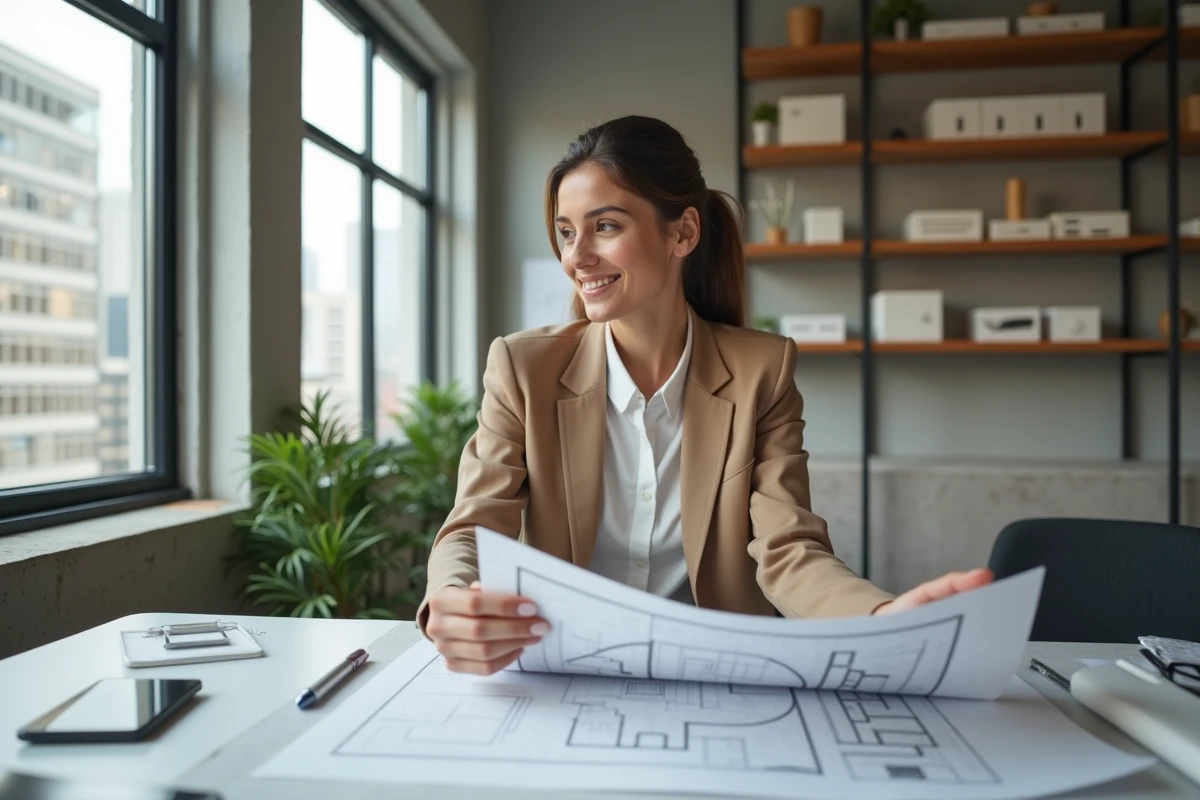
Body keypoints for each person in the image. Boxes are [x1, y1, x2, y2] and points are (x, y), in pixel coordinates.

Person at [419, 115, 992, 675]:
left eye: (606, 226)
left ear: (683, 232)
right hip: (569, 669)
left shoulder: (761, 371)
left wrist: (881, 617)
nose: (576, 257)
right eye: (567, 233)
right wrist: (453, 600)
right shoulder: (524, 367)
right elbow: (473, 528)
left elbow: (787, 549)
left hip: (718, 676)